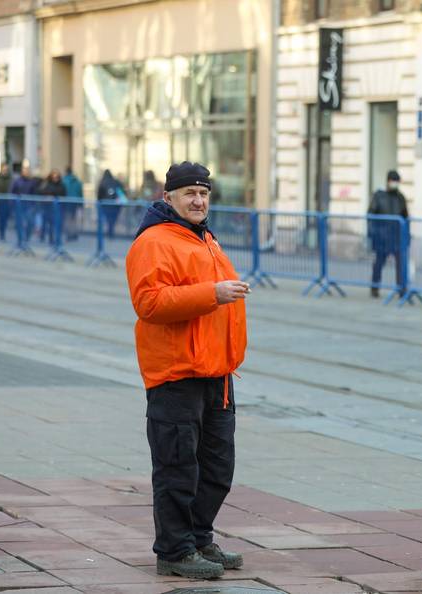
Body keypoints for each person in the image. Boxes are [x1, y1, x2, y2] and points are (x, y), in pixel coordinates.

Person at [125, 161, 249, 580]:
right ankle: (175, 550)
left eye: (204, 193)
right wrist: (212, 294)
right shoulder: (155, 241)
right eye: (189, 194)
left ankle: (198, 537)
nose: (198, 201)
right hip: (176, 372)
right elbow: (150, 303)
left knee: (217, 465)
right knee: (177, 465)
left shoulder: (204, 238)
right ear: (168, 198)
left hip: (216, 373)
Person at [367, 169, 408, 298]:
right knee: (378, 263)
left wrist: (407, 236)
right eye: (393, 181)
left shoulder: (400, 197)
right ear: (388, 181)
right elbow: (371, 214)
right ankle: (375, 287)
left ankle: (401, 289)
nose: (395, 183)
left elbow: (405, 217)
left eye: (397, 181)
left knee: (400, 264)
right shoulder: (379, 196)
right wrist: (373, 233)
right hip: (381, 237)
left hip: (397, 237)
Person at [10, 162, 41, 242]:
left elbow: (35, 193)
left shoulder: (32, 182)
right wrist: (13, 203)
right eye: (25, 171)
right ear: (22, 172)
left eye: (27, 171)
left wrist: (34, 204)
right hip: (18, 205)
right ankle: (20, 239)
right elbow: (12, 192)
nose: (26, 173)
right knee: (19, 223)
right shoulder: (17, 181)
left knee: (30, 222)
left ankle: (26, 238)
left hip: (29, 206)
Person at [38, 169, 66, 243]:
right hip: (48, 207)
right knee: (48, 223)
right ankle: (47, 237)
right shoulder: (46, 184)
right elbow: (41, 192)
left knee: (56, 224)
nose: (55, 178)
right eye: (54, 177)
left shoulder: (61, 185)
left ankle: (55, 239)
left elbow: (64, 194)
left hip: (58, 208)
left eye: (57, 177)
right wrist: (48, 196)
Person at [97, 169, 123, 238]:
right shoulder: (116, 182)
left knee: (108, 219)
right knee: (113, 219)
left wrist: (100, 202)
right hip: (116, 205)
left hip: (106, 205)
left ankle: (110, 231)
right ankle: (111, 231)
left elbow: (99, 195)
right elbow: (121, 192)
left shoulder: (102, 182)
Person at [61, 166, 84, 240]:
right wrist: (81, 204)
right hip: (75, 201)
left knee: (68, 218)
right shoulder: (77, 181)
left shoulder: (64, 180)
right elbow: (80, 193)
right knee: (73, 218)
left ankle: (69, 233)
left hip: (66, 201)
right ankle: (74, 233)